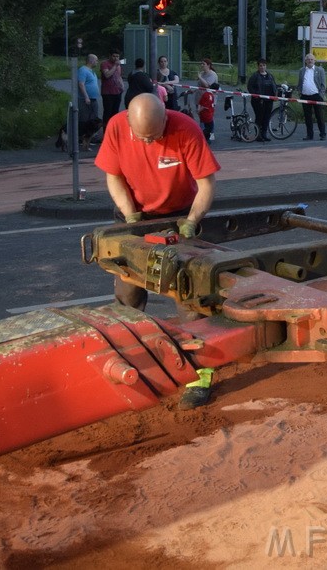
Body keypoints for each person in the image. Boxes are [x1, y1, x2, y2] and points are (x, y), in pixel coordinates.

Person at [95, 92, 220, 411]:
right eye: (143, 137)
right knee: (128, 294)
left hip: (179, 215)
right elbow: (114, 176)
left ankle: (198, 376)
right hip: (134, 213)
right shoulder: (116, 127)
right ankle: (132, 364)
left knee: (190, 296)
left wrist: (191, 222)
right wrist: (131, 218)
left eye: (155, 136)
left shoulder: (186, 129)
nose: (150, 143)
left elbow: (206, 184)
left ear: (166, 117)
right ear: (128, 122)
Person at [247, 58, 278, 142]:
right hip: (258, 101)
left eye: (264, 65)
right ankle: (258, 135)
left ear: (266, 66)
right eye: (260, 65)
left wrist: (275, 95)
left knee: (266, 117)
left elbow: (274, 86)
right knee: (259, 117)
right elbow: (250, 87)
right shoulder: (254, 76)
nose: (262, 67)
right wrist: (256, 95)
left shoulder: (270, 76)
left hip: (269, 101)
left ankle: (264, 134)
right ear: (258, 66)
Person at [298, 54, 327, 141]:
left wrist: (321, 95)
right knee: (307, 117)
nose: (310, 61)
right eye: (308, 59)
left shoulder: (320, 70)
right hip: (305, 96)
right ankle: (309, 135)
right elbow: (299, 83)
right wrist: (300, 93)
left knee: (319, 116)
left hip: (316, 96)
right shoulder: (302, 70)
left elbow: (323, 84)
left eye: (312, 59)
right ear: (305, 61)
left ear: (314, 61)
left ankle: (322, 134)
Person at [77, 54, 100, 151]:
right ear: (91, 60)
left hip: (93, 99)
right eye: (96, 60)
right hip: (85, 100)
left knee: (93, 120)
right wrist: (86, 97)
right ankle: (82, 140)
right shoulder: (83, 70)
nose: (97, 62)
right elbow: (81, 84)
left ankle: (89, 139)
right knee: (85, 120)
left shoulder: (92, 71)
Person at [100, 49, 124, 133]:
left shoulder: (118, 66)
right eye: (114, 56)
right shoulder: (104, 64)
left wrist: (122, 86)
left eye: (117, 56)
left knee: (115, 112)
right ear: (110, 56)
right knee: (107, 112)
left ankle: (113, 131)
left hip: (117, 91)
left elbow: (119, 76)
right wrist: (114, 66)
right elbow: (107, 75)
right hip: (107, 92)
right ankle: (105, 132)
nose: (115, 58)